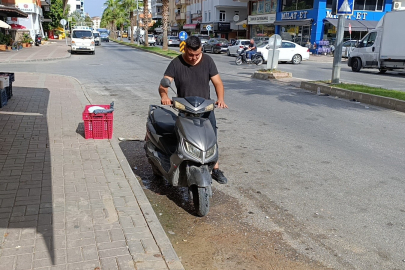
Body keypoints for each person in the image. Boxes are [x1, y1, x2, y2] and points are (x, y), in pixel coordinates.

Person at [159, 36, 229, 184]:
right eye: (190, 54)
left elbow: (218, 83)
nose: (194, 58)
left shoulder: (208, 60)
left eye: (197, 54)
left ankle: (215, 169)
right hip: (185, 108)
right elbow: (164, 85)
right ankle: (182, 164)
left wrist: (221, 99)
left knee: (212, 138)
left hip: (205, 108)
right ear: (184, 49)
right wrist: (164, 95)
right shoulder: (176, 63)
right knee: (184, 138)